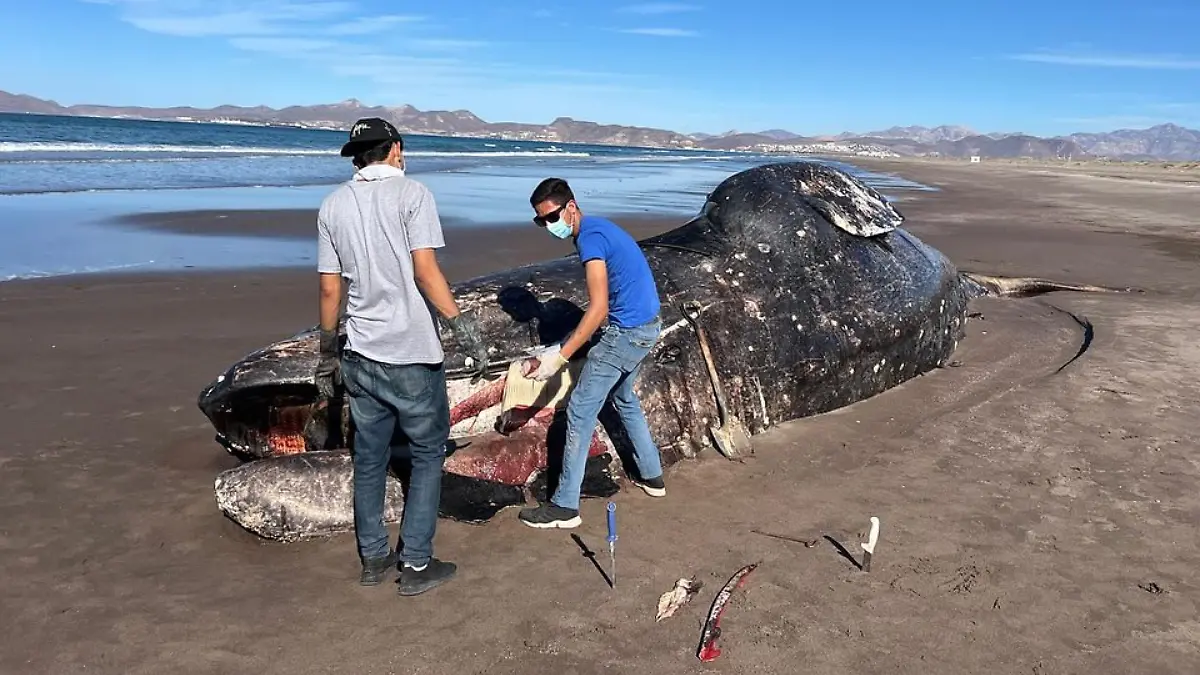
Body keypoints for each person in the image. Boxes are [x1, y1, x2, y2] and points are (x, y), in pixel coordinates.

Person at [314, 117, 490, 595]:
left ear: (356, 156)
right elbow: (426, 272)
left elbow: (331, 288)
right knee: (428, 454)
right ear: (395, 149)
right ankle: (415, 564)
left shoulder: (332, 205)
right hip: (410, 352)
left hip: (361, 353)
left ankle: (373, 558)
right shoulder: (414, 195)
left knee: (369, 459)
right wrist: (462, 328)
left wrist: (329, 351)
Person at [517, 177, 666, 529]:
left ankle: (565, 507)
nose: (548, 226)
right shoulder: (601, 228)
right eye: (541, 221)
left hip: (627, 333)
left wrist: (558, 357)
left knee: (580, 410)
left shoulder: (590, 238)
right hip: (647, 326)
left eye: (551, 217)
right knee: (624, 398)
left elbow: (597, 308)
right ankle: (652, 476)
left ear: (571, 206)